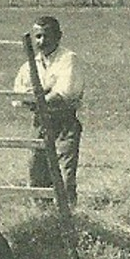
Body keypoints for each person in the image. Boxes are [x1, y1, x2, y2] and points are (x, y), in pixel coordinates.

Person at [12, 16, 83, 204]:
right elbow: (18, 97)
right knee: (36, 174)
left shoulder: (68, 59)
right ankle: (42, 219)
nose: (42, 41)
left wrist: (37, 95)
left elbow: (64, 94)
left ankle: (67, 220)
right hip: (40, 125)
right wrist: (44, 92)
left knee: (64, 177)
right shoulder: (30, 65)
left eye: (47, 36)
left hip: (63, 124)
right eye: (38, 37)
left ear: (59, 36)